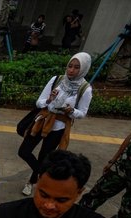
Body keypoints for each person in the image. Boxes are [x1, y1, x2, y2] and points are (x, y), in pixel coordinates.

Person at [18, 52, 92, 196]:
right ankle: (43, 175)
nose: (71, 70)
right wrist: (48, 100)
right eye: (70, 66)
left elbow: (82, 112)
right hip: (43, 120)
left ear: (83, 69)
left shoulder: (85, 89)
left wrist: (71, 111)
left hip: (59, 127)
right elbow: (39, 102)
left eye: (76, 67)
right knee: (24, 151)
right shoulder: (57, 80)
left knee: (44, 156)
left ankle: (31, 183)